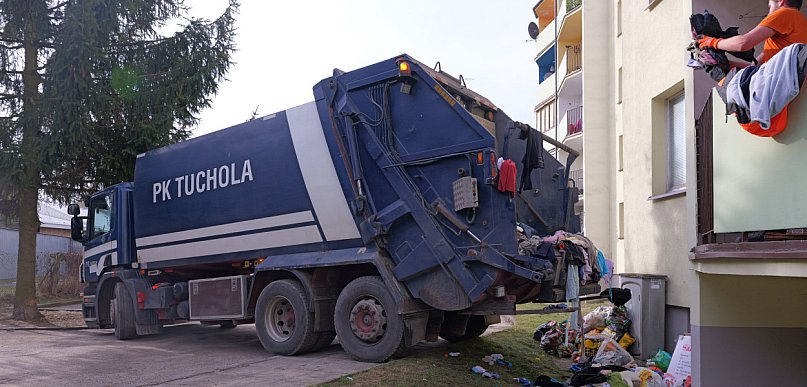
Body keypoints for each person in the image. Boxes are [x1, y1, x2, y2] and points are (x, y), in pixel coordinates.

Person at [699, 0, 807, 65]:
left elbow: (743, 43)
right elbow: (754, 68)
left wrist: (710, 42)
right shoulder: (800, 25)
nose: (768, 13)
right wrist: (723, 64)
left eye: (769, 6)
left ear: (780, 1)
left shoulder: (785, 13)